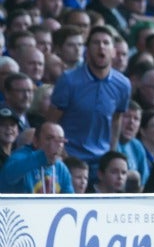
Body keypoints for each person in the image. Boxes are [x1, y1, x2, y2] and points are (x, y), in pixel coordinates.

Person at [48, 26, 131, 183]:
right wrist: (63, 154)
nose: (101, 47)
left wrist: (111, 153)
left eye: (106, 43)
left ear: (113, 51)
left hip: (102, 160)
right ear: (87, 50)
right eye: (96, 43)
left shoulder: (123, 84)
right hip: (70, 158)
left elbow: (116, 119)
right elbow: (52, 122)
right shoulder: (68, 80)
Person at [0, 121, 73, 193]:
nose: (56, 144)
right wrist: (43, 156)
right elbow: (8, 176)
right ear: (35, 141)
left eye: (60, 140)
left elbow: (70, 201)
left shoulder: (61, 168)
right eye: (49, 138)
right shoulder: (20, 157)